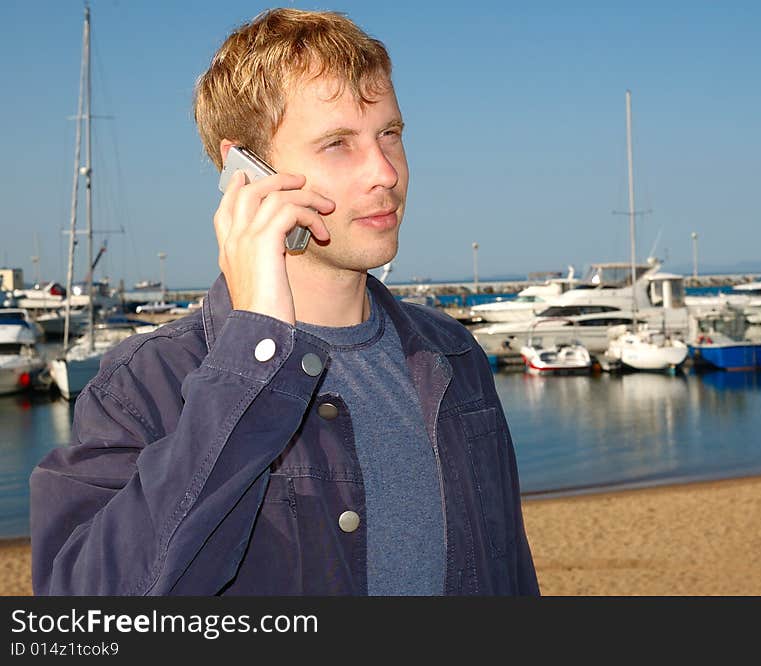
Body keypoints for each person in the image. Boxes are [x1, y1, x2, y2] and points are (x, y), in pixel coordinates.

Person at [30, 8, 539, 596]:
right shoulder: (144, 383)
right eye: (336, 144)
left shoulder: (452, 356)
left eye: (389, 134)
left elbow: (511, 577)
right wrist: (250, 363)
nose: (385, 172)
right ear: (246, 172)